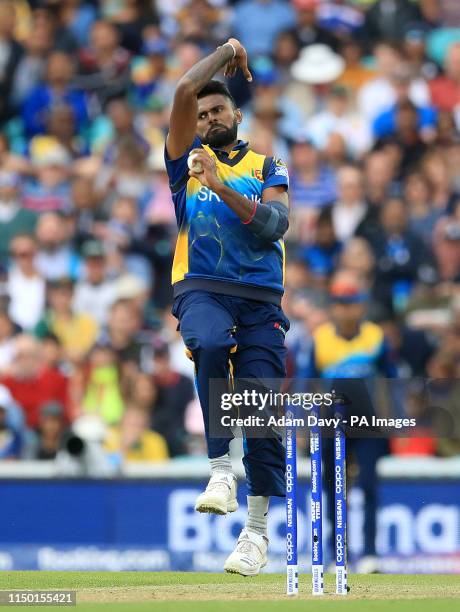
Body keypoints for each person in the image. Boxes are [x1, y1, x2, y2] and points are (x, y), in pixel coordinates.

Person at [165, 37, 290, 576]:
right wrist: (227, 50)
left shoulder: (268, 163)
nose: (210, 117)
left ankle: (257, 533)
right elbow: (182, 89)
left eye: (220, 110)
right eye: (203, 113)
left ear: (237, 114)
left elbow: (275, 226)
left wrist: (221, 185)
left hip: (262, 298)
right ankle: (220, 468)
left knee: (263, 412)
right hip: (202, 285)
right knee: (210, 341)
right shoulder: (184, 164)